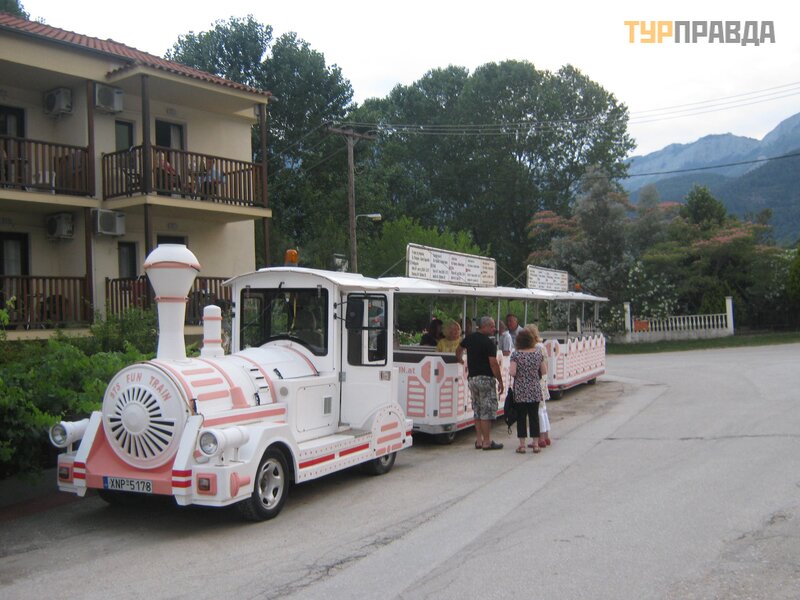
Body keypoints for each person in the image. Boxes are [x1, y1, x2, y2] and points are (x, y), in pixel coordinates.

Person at [456, 316, 504, 450]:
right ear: (485, 326)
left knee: (477, 410)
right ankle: (487, 441)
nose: (494, 329)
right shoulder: (489, 343)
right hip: (486, 379)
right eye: (492, 326)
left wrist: (459, 359)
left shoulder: (469, 338)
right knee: (486, 412)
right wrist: (500, 381)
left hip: (472, 379)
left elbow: (458, 349)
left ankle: (479, 440)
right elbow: (493, 364)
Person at [509, 327, 546, 453]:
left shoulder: (516, 355)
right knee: (534, 417)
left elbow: (512, 372)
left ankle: (522, 445)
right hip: (534, 388)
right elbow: (544, 371)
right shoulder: (538, 353)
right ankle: (535, 444)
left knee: (521, 417)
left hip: (521, 390)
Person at [527, 324, 552, 447]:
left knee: (538, 410)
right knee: (543, 409)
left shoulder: (535, 347)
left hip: (537, 380)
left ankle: (540, 437)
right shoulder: (542, 346)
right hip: (543, 379)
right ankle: (546, 436)